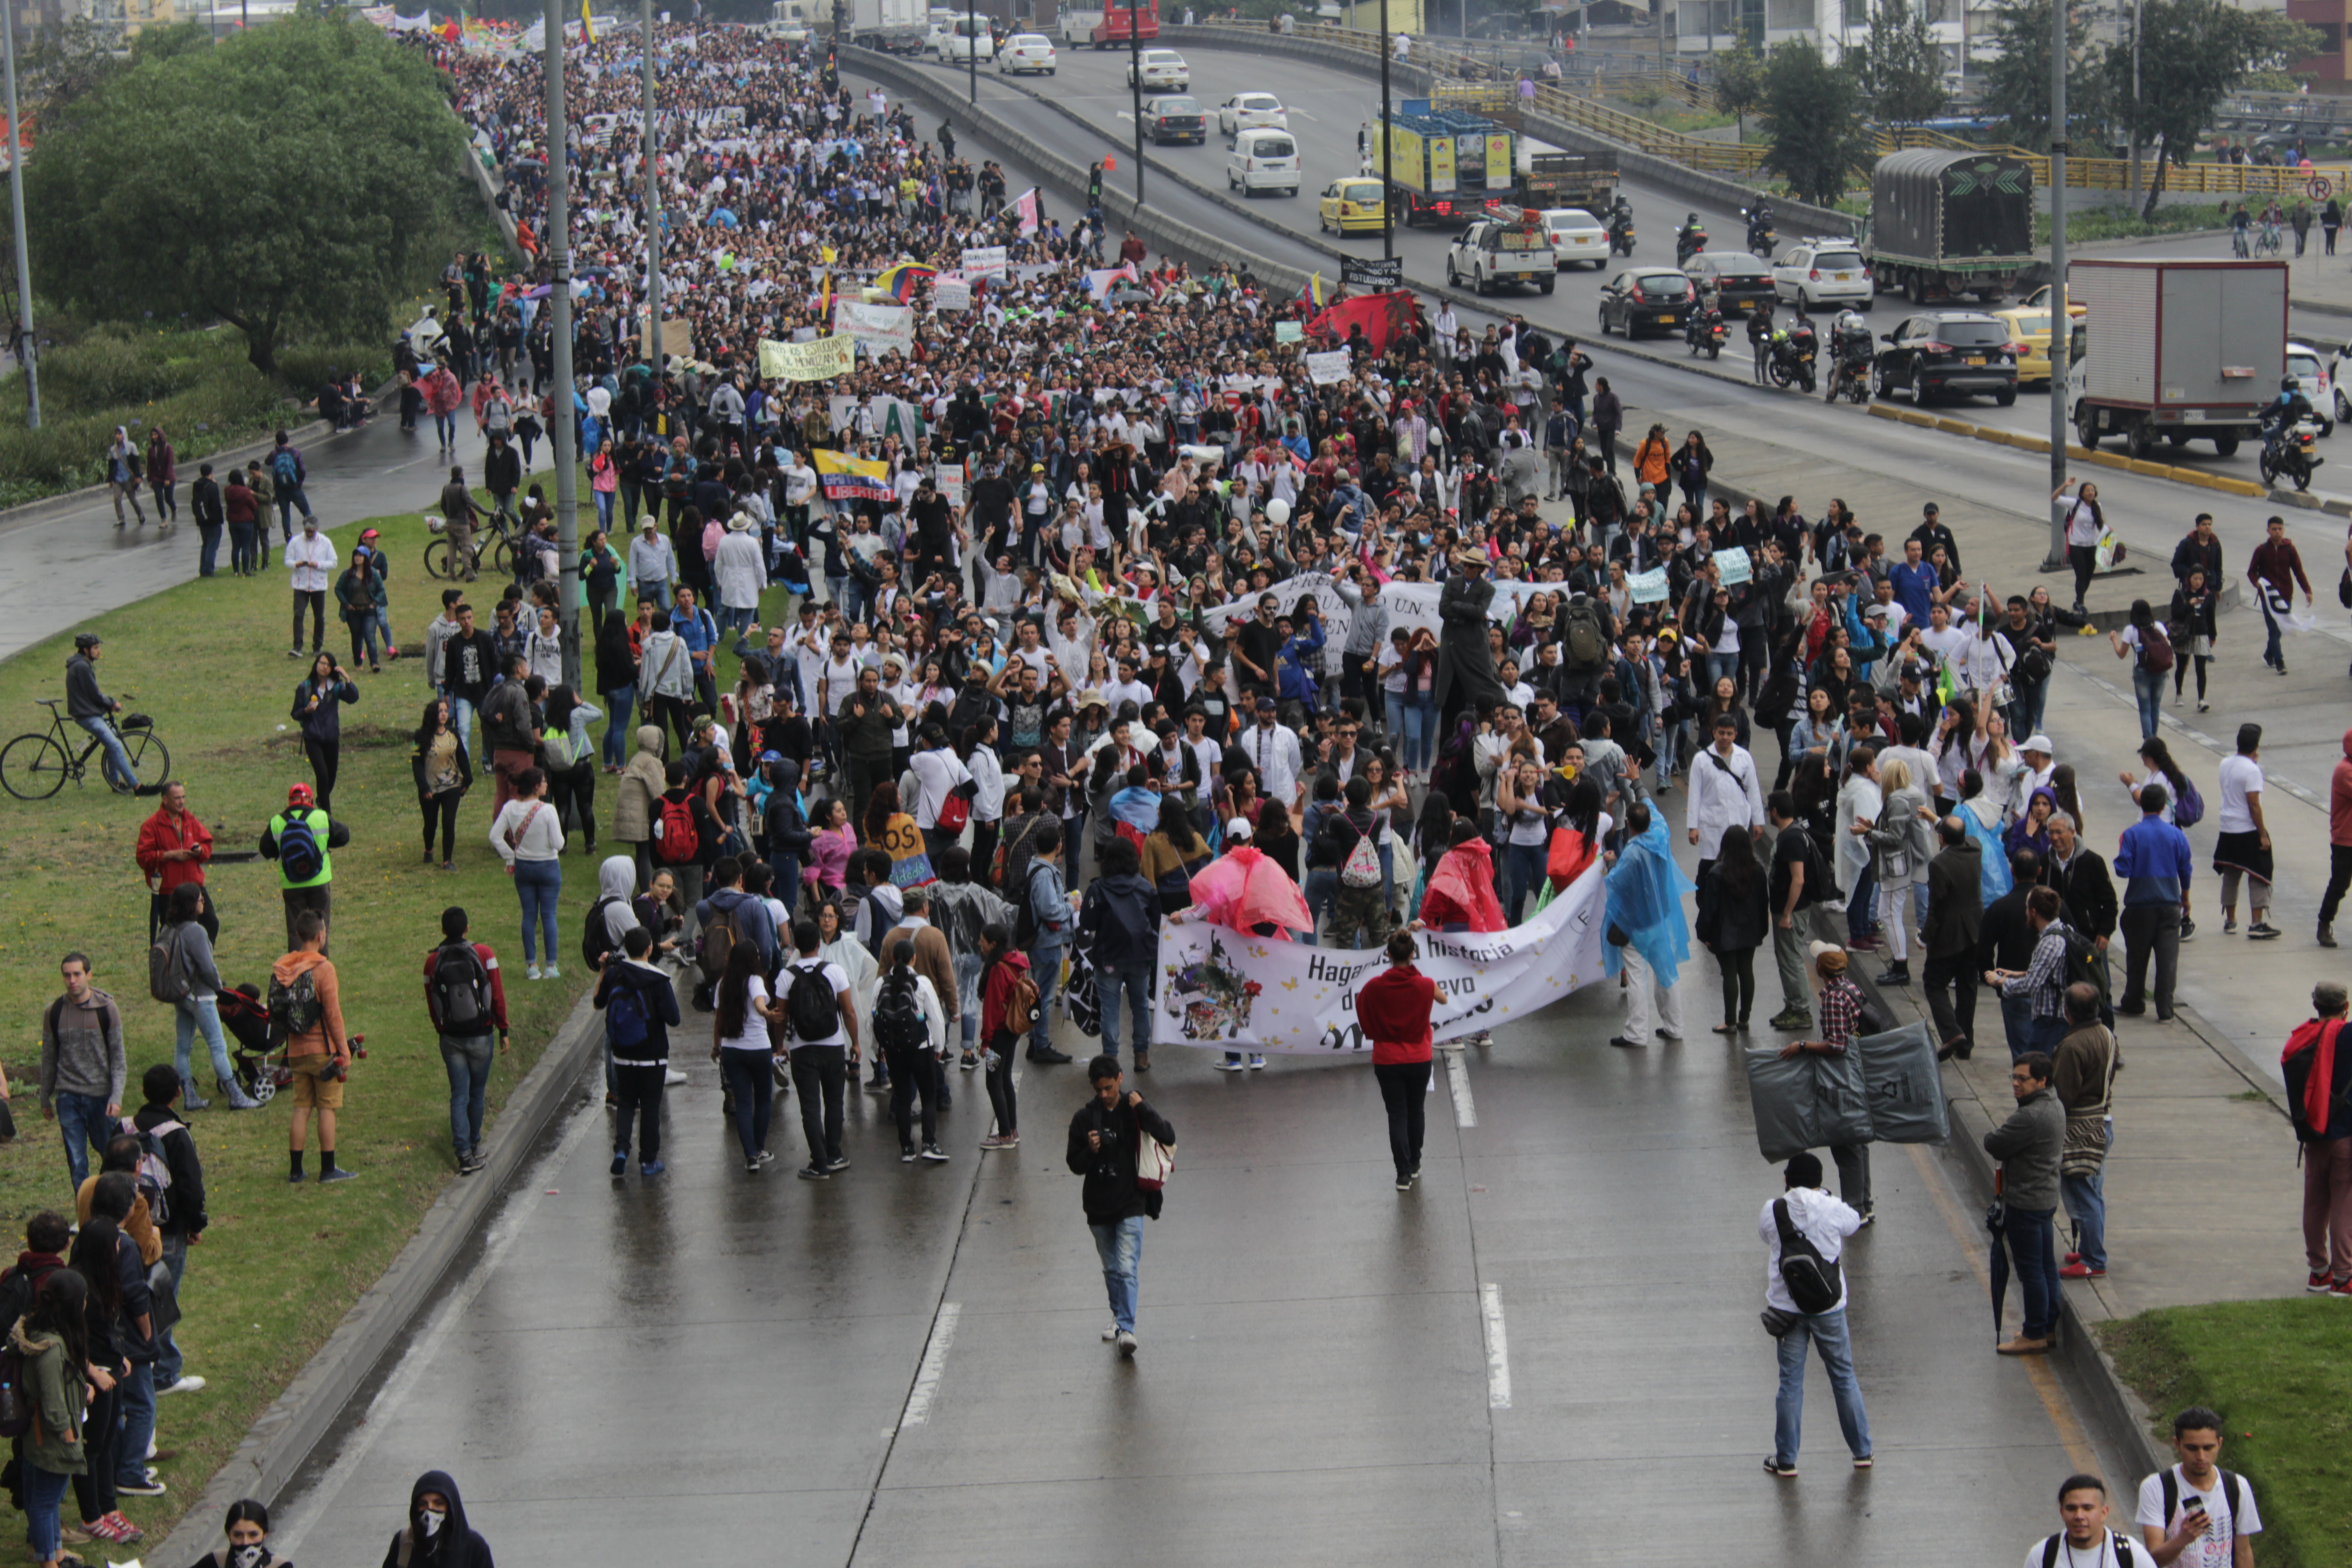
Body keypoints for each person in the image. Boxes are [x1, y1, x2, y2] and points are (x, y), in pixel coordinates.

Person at [1757, 1152, 1871, 1478]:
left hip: (1787, 1310)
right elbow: (1853, 1224)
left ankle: (1787, 1459)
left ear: (1787, 1180)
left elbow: (1766, 1237)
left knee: (1790, 1383)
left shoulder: (1773, 1210)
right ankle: (1862, 1451)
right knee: (1843, 1377)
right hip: (1829, 1308)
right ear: (1820, 1181)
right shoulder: (1833, 1207)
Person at [1065, 1054, 1176, 1359]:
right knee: (1111, 1267)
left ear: (1121, 1079)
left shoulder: (1135, 1108)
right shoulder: (1083, 1119)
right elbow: (1074, 1164)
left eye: (1109, 1088)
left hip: (1131, 1201)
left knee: (1127, 1267)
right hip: (1098, 1206)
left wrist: (1143, 1107)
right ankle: (1118, 1316)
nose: (1104, 1095)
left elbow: (1168, 1135)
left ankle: (1127, 1328)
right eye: (1099, 1090)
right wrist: (1090, 1151)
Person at [129, 1065, 209, 1397]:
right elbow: (190, 1185)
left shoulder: (124, 1127)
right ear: (178, 1093)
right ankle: (165, 1373)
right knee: (163, 1299)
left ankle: (139, 1363)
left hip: (130, 1226)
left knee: (134, 1296)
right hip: (169, 1230)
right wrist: (196, 1223)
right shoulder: (176, 1132)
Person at [1984, 1051, 2065, 1354]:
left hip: (2026, 1202)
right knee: (2046, 1266)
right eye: (2014, 1077)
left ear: (2042, 1081)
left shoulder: (2030, 1116)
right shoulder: (2054, 1104)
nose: (2016, 1084)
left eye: (2023, 1079)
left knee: (2031, 1271)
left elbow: (1994, 1142)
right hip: (2045, 1198)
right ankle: (2047, 1327)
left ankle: (2034, 1334)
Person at [155, 882, 258, 1110]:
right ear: (192, 904)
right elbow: (208, 968)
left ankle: (189, 1097)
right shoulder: (196, 931)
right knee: (218, 1046)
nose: (203, 902)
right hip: (201, 996)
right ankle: (236, 1096)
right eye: (200, 899)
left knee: (182, 1048)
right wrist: (219, 987)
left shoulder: (168, 928)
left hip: (181, 996)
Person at [15, 1269, 93, 1568]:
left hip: (39, 1435)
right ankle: (48, 1561)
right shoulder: (52, 1348)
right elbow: (52, 1398)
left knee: (45, 1500)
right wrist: (67, 1433)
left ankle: (56, 1553)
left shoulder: (42, 1333)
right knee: (45, 1504)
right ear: (75, 1304)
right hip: (51, 1437)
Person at [422, 907, 509, 1176]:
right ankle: (474, 1144)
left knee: (458, 1094)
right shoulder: (485, 954)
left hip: (451, 1038)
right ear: (468, 928)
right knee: (477, 1092)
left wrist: (441, 1028)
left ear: (442, 930)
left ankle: (462, 1154)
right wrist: (503, 1029)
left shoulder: (432, 961)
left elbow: (432, 1001)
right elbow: (496, 994)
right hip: (482, 1034)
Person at [1603, 801, 1694, 1049]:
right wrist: (1636, 782)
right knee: (1667, 973)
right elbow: (1657, 813)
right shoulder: (1661, 837)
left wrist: (1610, 862)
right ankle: (1674, 1027)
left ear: (1629, 825)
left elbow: (1616, 883)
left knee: (1636, 978)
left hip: (1636, 926)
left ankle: (1636, 1033)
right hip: (1661, 919)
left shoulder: (1632, 854)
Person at [275, 909, 355, 1184]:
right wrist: (344, 1051)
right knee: (327, 1108)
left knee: (301, 1108)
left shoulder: (284, 967)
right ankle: (328, 1168)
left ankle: (296, 1171)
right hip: (323, 1052)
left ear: (298, 935)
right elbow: (333, 1015)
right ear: (321, 936)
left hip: (295, 1050)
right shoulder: (324, 969)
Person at [2283, 980, 2352, 1295]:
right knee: (2344, 1203)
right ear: (2345, 1007)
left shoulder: (2301, 1037)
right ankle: (2344, 1276)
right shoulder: (2348, 1035)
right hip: (2345, 1135)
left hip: (2313, 1134)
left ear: (2316, 1006)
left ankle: (2319, 1271)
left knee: (2315, 1202)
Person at [596, 923, 681, 1176]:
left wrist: (604, 970)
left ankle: (622, 1149)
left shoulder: (615, 974)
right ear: (649, 948)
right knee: (651, 1107)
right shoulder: (658, 979)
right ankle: (648, 1161)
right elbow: (674, 1018)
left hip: (622, 1054)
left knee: (626, 1104)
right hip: (653, 1056)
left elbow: (598, 1002)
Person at [780, 918, 859, 1180]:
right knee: (835, 1102)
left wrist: (780, 1045)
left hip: (803, 1049)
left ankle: (819, 1163)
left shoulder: (786, 976)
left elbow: (780, 1017)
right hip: (834, 1046)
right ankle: (835, 1154)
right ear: (818, 944)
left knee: (810, 1107)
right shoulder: (834, 971)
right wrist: (855, 1043)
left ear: (795, 946)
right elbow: (848, 1011)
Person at [2051, 981, 2120, 1281]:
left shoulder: (2072, 1046)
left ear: (2067, 1013)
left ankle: (2093, 1259)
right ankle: (2093, 1248)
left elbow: (2063, 1096)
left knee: (2083, 1196)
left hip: (2081, 1128)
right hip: (2103, 1121)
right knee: (2095, 1193)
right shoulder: (2107, 1034)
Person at [39, 951, 125, 1191]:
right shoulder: (54, 1012)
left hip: (101, 1096)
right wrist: (45, 1096)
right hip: (67, 1096)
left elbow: (119, 1058)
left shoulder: (107, 1009)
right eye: (67, 976)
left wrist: (116, 1097)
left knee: (112, 1157)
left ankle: (114, 1207)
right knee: (77, 1163)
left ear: (89, 975)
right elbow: (49, 1057)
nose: (72, 980)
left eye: (77, 974)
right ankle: (84, 1212)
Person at [2136, 1408, 2261, 1566]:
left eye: (2208, 1448)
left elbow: (2243, 1551)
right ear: (2177, 1444)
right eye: (2192, 1448)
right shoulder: (2156, 1487)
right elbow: (2152, 1560)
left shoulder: (2237, 1486)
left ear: (2220, 1444)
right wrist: (2183, 1539)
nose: (2201, 1457)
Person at [1077, 837, 1159, 1070]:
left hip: (1108, 957)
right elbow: (1155, 921)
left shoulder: (1098, 888)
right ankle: (1141, 1056)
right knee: (1141, 1005)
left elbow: (1087, 922)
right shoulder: (1145, 887)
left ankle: (1111, 1059)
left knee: (1110, 1009)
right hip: (1140, 955)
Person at [2114, 783, 2192, 1020]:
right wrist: (2185, 898)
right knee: (2168, 958)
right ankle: (2165, 1007)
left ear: (2142, 804)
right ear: (2163, 806)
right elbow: (2185, 869)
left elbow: (2122, 870)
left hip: (2140, 905)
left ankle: (2134, 1000)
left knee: (2137, 958)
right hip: (2170, 904)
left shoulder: (2132, 834)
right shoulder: (2176, 834)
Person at [711, 941, 786, 1174]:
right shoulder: (755, 981)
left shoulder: (723, 984)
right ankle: (760, 1149)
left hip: (731, 1050)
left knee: (743, 1102)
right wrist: (766, 1014)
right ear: (752, 959)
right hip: (758, 1050)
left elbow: (718, 1020)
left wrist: (716, 1047)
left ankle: (750, 1156)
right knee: (764, 1099)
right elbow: (760, 1003)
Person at [875, 937, 951, 1163]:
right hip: (920, 1048)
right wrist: (939, 1046)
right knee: (928, 1097)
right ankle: (929, 1144)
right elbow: (936, 1018)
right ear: (914, 958)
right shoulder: (922, 983)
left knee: (903, 1099)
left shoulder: (881, 983)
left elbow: (873, 1018)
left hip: (894, 1050)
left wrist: (877, 1049)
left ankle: (907, 1148)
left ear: (892, 959)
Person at [64, 633, 157, 797]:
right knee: (115, 746)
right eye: (96, 648)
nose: (99, 651)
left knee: (113, 740)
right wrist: (113, 703)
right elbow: (95, 695)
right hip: (87, 716)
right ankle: (137, 787)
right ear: (86, 650)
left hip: (88, 712)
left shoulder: (82, 664)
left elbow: (93, 694)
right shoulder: (82, 667)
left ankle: (115, 782)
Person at [260, 781, 347, 955]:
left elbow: (265, 850)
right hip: (319, 882)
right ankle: (321, 973)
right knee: (320, 929)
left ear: (290, 801)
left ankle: (298, 975)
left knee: (295, 931)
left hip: (292, 884)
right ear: (310, 800)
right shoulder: (320, 817)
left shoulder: (277, 821)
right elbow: (344, 836)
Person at [1696, 828, 1769, 1034]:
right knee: (1747, 971)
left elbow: (1709, 908)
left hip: (1725, 931)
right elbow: (1764, 903)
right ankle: (1744, 1018)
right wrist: (1763, 929)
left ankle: (1729, 1022)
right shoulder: (1758, 871)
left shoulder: (1718, 873)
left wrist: (1703, 933)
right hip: (1751, 930)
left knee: (1729, 973)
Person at [1921, 815, 1983, 1060]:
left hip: (1950, 935)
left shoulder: (1939, 864)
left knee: (1934, 983)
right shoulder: (1975, 848)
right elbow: (1964, 835)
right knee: (1968, 988)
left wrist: (1925, 937)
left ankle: (1952, 1033)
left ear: (1942, 838)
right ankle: (1965, 1045)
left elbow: (1936, 906)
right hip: (1976, 930)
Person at [1990, 887, 2075, 1056]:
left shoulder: (2050, 942)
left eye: (2027, 908)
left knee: (2036, 1073)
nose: (2026, 913)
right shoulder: (2065, 931)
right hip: (2055, 1019)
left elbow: (2031, 986)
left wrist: (2000, 982)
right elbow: (2052, 974)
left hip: (2051, 1021)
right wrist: (2018, 974)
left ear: (2034, 912)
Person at [1765, 791, 1824, 1032]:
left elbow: (1798, 880)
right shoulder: (1792, 833)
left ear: (1775, 812)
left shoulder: (1791, 839)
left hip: (1792, 911)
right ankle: (1792, 1005)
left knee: (1792, 960)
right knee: (1786, 959)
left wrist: (1788, 914)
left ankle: (1801, 1010)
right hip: (1787, 909)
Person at [2213, 723, 2277, 940]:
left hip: (2227, 828)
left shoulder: (2225, 763)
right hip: (2246, 828)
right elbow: (2254, 805)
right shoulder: (2252, 770)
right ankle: (2257, 923)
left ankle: (2230, 921)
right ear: (2256, 746)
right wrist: (2262, 835)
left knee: (2231, 873)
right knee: (2260, 872)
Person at [135, 780, 214, 945]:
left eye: (184, 797)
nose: (182, 802)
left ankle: (202, 961)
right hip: (169, 890)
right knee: (171, 934)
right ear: (165, 800)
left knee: (211, 923)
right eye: (177, 798)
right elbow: (143, 858)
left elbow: (207, 845)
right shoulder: (151, 825)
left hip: (194, 886)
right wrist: (169, 855)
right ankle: (172, 967)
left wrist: (200, 851)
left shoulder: (190, 820)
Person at [1021, 821, 1074, 1064]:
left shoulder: (1037, 867)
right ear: (1059, 846)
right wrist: (1070, 906)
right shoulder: (1044, 873)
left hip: (1040, 940)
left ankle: (1035, 1039)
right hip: (1047, 941)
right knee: (1044, 995)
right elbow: (1049, 909)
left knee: (1037, 992)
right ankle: (1041, 1043)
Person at [291, 652, 360, 814]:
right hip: (312, 737)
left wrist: (347, 679)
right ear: (316, 664)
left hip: (331, 738)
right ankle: (327, 814)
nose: (324, 667)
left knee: (331, 777)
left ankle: (322, 800)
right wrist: (306, 711)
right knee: (322, 774)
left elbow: (353, 698)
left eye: (328, 665)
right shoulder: (305, 687)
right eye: (322, 663)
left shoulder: (336, 687)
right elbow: (295, 714)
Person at [382, 1470, 494, 1568]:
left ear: (451, 1507)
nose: (430, 1510)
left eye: (439, 1503)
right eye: (423, 1504)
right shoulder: (405, 1543)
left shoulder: (475, 1548)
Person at [2245, 514, 2311, 675]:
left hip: (2286, 596)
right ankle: (2280, 662)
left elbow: (2298, 571)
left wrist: (2307, 590)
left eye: (2280, 529)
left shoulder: (2290, 549)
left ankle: (2269, 655)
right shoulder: (2262, 550)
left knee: (2279, 628)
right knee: (2274, 630)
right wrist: (2258, 584)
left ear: (2284, 530)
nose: (2277, 532)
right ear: (2268, 531)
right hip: (2268, 597)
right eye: (2274, 529)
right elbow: (2252, 572)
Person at [2030, 1475, 2140, 1568]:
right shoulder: (2043, 1554)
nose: (2079, 1516)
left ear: (2104, 1513)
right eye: (2071, 1509)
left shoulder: (2130, 1553)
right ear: (2062, 1513)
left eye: (2088, 1508)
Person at [284, 514, 338, 660]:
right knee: (299, 614)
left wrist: (318, 565)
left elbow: (333, 562)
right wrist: (297, 564)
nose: (309, 534)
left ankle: (317, 647)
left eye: (312, 532)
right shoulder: (295, 542)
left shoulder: (325, 542)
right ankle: (297, 647)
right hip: (300, 585)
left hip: (318, 585)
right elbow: (287, 560)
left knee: (319, 616)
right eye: (307, 531)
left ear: (317, 530)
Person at [195, 1498, 287, 1568]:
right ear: (229, 1535)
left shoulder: (280, 1566)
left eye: (253, 1535)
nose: (245, 1542)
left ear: (265, 1534)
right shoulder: (215, 1561)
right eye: (238, 1535)